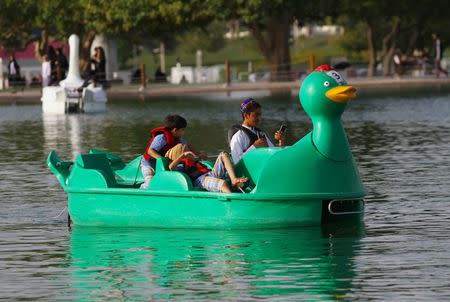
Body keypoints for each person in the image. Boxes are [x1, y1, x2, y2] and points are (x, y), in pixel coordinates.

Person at [140, 114, 206, 189]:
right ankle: (142, 188)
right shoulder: (161, 138)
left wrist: (199, 154)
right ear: (175, 130)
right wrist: (163, 160)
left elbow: (189, 146)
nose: (184, 132)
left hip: (161, 165)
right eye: (182, 130)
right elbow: (150, 151)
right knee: (150, 183)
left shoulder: (179, 139)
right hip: (149, 164)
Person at [166, 144, 248, 193]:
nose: (189, 153)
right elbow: (171, 167)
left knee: (223, 154)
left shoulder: (194, 161)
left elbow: (203, 163)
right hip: (201, 180)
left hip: (210, 174)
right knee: (223, 184)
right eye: (186, 151)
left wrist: (200, 156)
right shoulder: (181, 165)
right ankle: (234, 203)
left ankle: (234, 180)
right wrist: (183, 155)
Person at [229, 98, 286, 163]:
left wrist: (281, 141)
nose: (259, 118)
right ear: (246, 115)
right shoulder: (238, 137)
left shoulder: (261, 134)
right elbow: (237, 161)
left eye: (260, 115)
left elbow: (275, 155)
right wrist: (254, 147)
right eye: (256, 115)